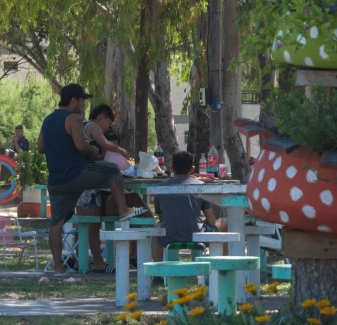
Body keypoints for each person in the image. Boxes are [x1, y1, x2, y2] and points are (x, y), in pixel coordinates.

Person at [38, 84, 130, 275]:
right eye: (82, 100)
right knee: (113, 170)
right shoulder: (74, 118)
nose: (84, 104)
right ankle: (123, 210)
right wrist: (93, 149)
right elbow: (81, 146)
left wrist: (60, 149)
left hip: (56, 180)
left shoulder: (47, 120)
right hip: (77, 173)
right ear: (74, 100)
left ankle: (58, 268)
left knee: (57, 223)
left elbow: (40, 147)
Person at [76, 105, 131, 272]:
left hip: (80, 180)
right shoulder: (91, 126)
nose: (108, 127)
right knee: (93, 224)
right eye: (108, 122)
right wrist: (120, 150)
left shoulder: (82, 127)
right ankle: (98, 261)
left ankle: (82, 259)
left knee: (85, 225)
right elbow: (105, 143)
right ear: (100, 116)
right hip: (88, 184)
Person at [151, 150, 227, 261]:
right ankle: (223, 268)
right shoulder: (200, 186)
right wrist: (198, 219)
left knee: (157, 226)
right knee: (224, 224)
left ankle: (158, 272)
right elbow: (211, 221)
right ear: (192, 169)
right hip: (197, 236)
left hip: (169, 236)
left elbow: (163, 219)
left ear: (172, 167)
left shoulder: (161, 187)